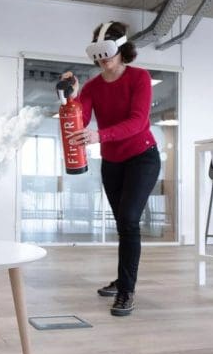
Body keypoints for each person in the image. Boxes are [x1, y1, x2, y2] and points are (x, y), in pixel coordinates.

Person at [63, 21, 160, 316]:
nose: (104, 59)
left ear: (122, 49)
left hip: (142, 158)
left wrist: (100, 136)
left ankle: (127, 291)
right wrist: (71, 96)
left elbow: (138, 122)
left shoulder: (139, 78)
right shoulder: (93, 87)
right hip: (112, 163)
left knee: (129, 220)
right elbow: (80, 119)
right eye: (99, 54)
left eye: (109, 52)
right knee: (123, 225)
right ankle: (122, 280)